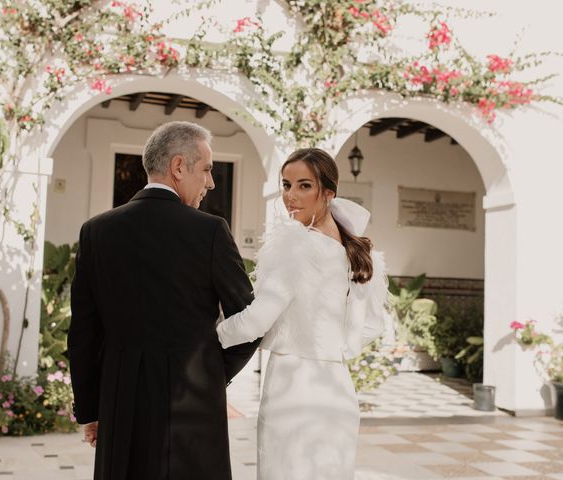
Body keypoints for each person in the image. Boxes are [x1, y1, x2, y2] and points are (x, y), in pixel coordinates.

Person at [68, 121, 260, 480]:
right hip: (193, 406)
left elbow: (83, 332)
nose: (211, 183)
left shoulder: (96, 231)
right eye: (206, 170)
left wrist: (91, 410)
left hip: (120, 403)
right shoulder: (210, 231)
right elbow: (251, 319)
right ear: (177, 167)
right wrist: (211, 374)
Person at [217, 147, 389, 480]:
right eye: (286, 184)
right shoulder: (357, 254)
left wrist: (210, 338)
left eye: (304, 186)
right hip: (337, 390)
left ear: (328, 192)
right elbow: (372, 326)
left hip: (292, 391)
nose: (290, 196)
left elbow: (255, 320)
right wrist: (333, 346)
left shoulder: (296, 246)